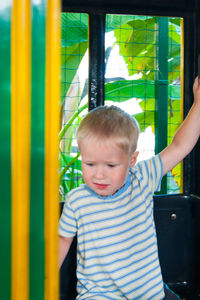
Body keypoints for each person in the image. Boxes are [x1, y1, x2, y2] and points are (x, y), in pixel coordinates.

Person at [59, 76, 200, 299]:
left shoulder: (142, 177)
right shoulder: (77, 200)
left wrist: (198, 103)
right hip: (99, 294)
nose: (99, 174)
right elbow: (62, 239)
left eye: (111, 165)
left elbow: (180, 146)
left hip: (149, 294)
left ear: (131, 160)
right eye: (90, 164)